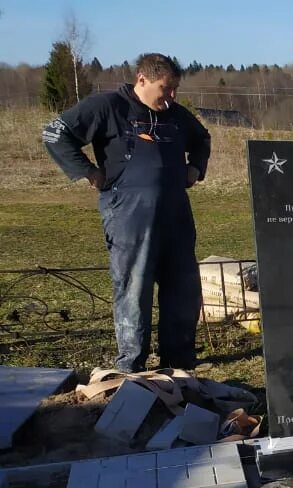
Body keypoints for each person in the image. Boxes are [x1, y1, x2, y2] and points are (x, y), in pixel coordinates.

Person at [42, 53, 211, 371]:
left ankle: (179, 361)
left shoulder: (175, 114)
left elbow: (202, 138)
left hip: (175, 214)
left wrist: (195, 167)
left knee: (183, 286)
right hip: (129, 214)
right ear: (142, 80)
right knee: (135, 287)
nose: (171, 96)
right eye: (166, 88)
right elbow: (54, 133)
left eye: (175, 88)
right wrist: (88, 171)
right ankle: (131, 365)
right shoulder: (109, 106)